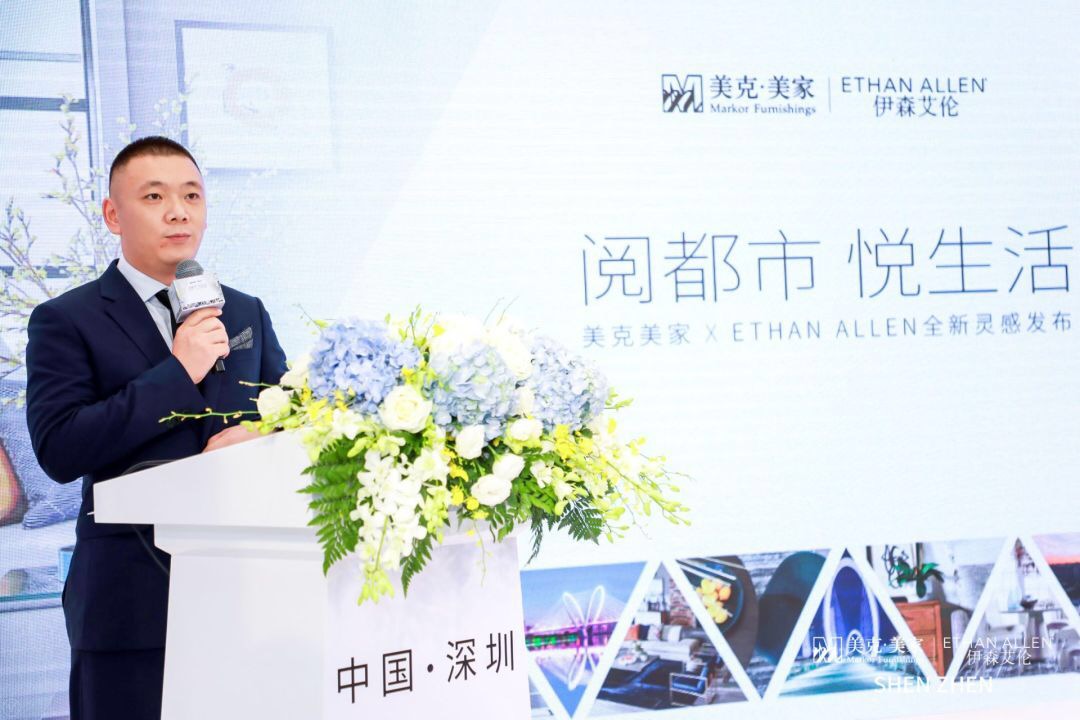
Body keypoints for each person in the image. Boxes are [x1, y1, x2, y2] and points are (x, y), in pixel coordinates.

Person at [25, 136, 288, 720]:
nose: (178, 212)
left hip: (253, 596)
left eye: (192, 196)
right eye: (154, 196)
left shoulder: (244, 310)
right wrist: (178, 372)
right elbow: (60, 447)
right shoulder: (66, 319)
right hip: (131, 603)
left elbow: (293, 410)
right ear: (112, 215)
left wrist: (264, 435)